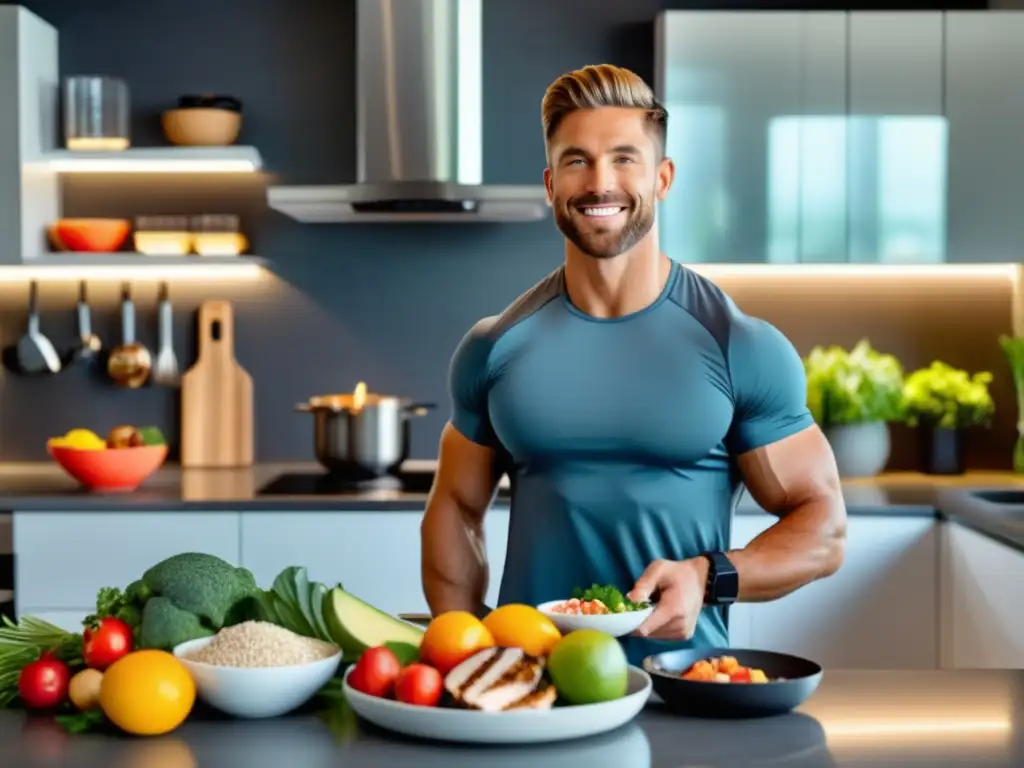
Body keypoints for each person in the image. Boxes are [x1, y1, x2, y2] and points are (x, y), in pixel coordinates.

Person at [420, 63, 847, 666]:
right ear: (549, 184)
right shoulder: (495, 345)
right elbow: (457, 507)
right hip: (534, 686)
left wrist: (709, 576)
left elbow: (822, 526)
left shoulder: (737, 344)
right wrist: (464, 644)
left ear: (663, 178)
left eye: (624, 159)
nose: (600, 183)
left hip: (685, 681)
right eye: (577, 161)